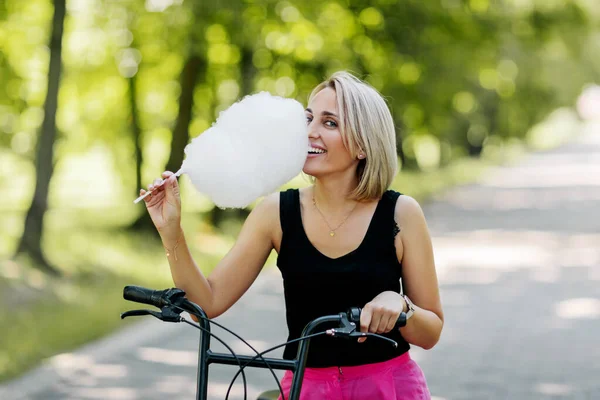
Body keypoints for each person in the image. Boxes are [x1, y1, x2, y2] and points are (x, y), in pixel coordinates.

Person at [140, 71, 443, 399]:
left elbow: (431, 332)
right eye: (309, 118)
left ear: (362, 145)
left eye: (330, 123)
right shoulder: (275, 213)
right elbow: (207, 303)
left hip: (388, 388)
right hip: (305, 387)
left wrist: (401, 306)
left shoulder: (401, 214)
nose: (309, 131)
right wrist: (171, 231)